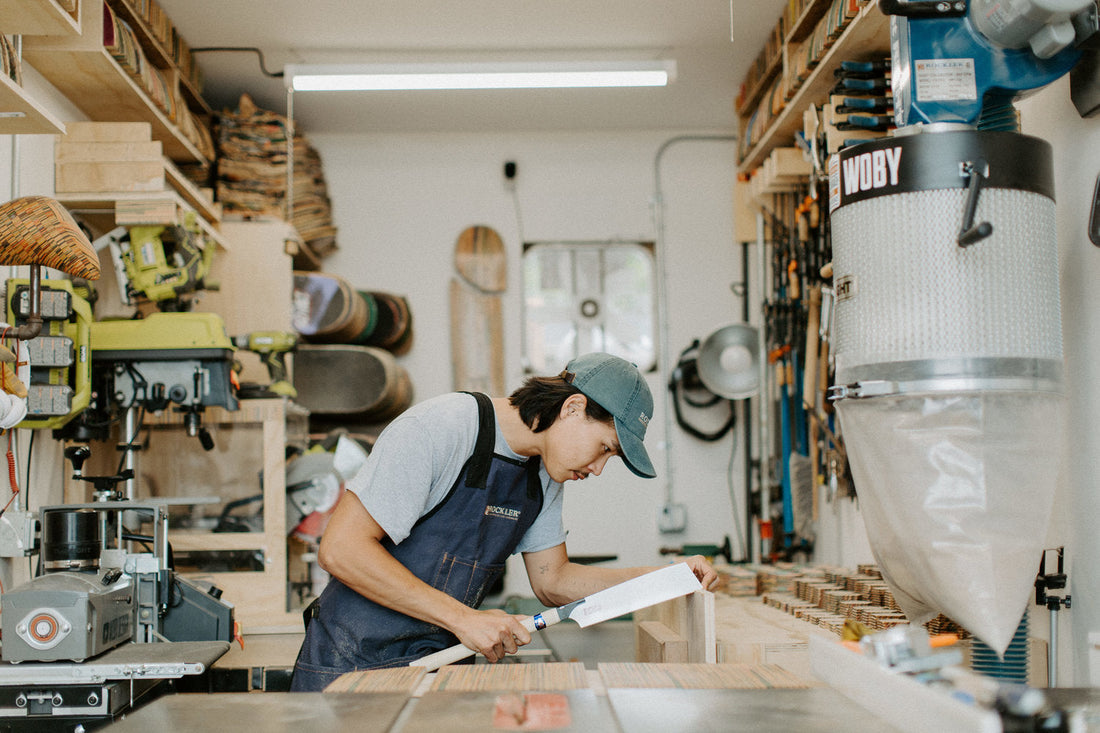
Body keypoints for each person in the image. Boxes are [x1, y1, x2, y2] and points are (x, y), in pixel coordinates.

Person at [290, 352, 717, 691]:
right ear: (572, 408)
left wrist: (665, 577)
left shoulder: (544, 474)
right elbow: (341, 548)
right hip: (351, 669)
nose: (599, 469)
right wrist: (464, 619)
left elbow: (555, 582)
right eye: (605, 448)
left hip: (440, 672)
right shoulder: (442, 427)